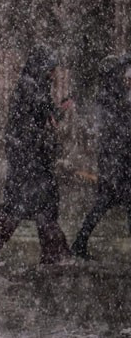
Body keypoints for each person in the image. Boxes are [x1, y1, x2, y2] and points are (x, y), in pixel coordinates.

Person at [0, 46, 72, 265]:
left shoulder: (36, 87)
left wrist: (58, 111)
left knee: (29, 207)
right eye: (51, 68)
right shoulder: (30, 88)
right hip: (29, 160)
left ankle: (53, 254)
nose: (54, 73)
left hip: (31, 159)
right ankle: (54, 255)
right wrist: (42, 143)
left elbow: (41, 118)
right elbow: (28, 125)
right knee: (28, 206)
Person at [71, 56, 131, 259]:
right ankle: (79, 243)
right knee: (106, 203)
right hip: (117, 163)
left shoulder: (113, 95)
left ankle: (79, 243)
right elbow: (118, 132)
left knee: (106, 203)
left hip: (117, 162)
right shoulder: (112, 97)